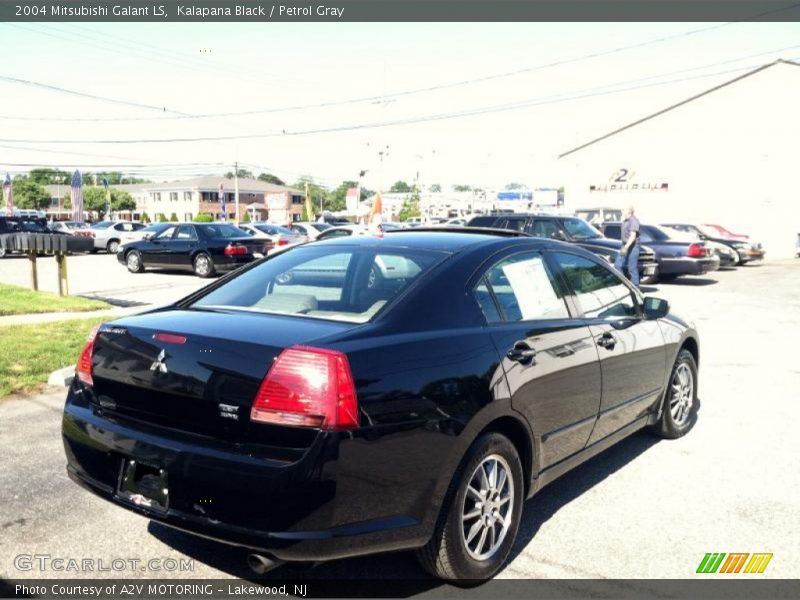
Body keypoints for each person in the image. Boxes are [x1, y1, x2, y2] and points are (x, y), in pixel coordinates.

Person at [614, 205, 641, 288]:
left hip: (633, 246)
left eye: (623, 209)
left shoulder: (634, 220)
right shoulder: (625, 220)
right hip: (625, 244)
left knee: (632, 268)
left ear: (629, 211)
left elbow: (633, 236)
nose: (621, 211)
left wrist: (626, 247)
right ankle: (625, 285)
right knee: (617, 265)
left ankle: (636, 288)